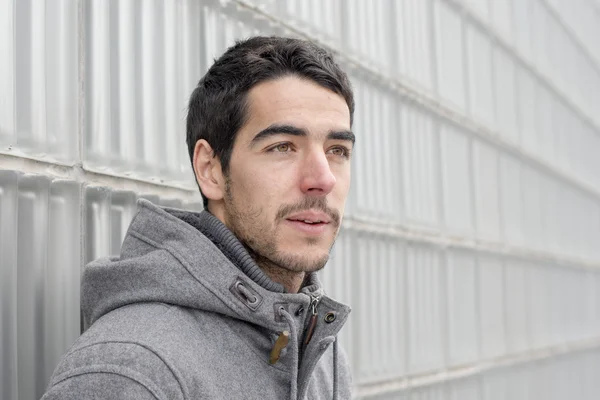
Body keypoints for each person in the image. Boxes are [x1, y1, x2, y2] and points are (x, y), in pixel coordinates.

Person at [42, 36, 356, 400]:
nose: (322, 179)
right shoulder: (131, 372)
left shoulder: (320, 352)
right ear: (210, 169)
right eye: (282, 147)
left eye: (337, 150)